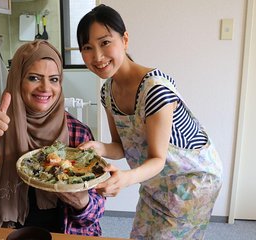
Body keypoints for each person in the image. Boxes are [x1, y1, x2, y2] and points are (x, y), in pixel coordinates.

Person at [76, 4, 223, 239]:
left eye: (105, 42)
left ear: (124, 39)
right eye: (87, 47)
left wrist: (124, 178)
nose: (97, 56)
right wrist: (98, 147)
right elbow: (122, 146)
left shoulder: (155, 89)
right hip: (155, 179)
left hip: (191, 181)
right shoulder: (107, 92)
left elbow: (157, 158)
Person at [0, 40, 105, 236]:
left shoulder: (77, 132)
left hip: (62, 231)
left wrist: (82, 203)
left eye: (54, 79)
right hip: (2, 231)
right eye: (34, 78)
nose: (45, 88)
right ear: (17, 79)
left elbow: (95, 214)